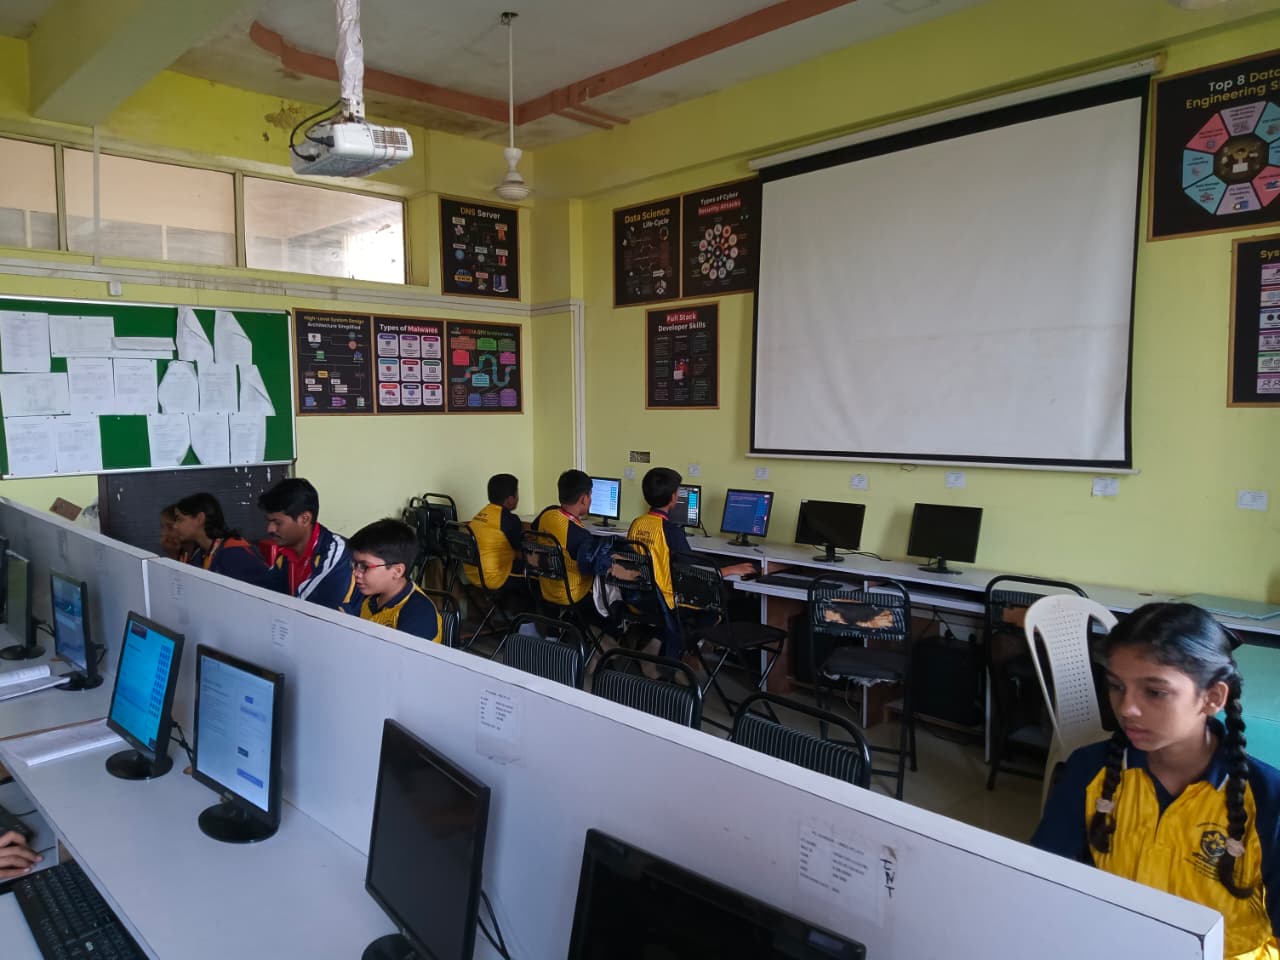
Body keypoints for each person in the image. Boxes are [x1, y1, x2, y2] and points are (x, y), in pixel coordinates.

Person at [1032, 602, 1280, 960]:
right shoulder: (1089, 770)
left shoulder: (1268, 800)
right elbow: (1042, 878)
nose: (1126, 708)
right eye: (1116, 686)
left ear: (1212, 697)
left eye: (1154, 692)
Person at [626, 468, 755, 664]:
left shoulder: (637, 523)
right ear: (673, 498)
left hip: (641, 597)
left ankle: (657, 642)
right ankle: (681, 656)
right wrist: (730, 570)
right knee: (715, 606)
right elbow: (692, 573)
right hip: (667, 601)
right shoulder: (671, 531)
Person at [532, 470, 614, 633]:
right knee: (610, 585)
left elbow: (534, 530)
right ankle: (607, 635)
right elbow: (591, 567)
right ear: (584, 498)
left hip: (546, 587)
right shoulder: (579, 535)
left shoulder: (547, 514)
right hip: (571, 592)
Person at [257, 478, 357, 609]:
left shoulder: (335, 552)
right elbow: (267, 595)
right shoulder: (285, 553)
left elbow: (305, 609)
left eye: (277, 523)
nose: (270, 529)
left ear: (305, 519)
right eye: (269, 522)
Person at [348, 518, 440, 644]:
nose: (356, 573)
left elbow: (401, 656)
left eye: (364, 566)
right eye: (354, 563)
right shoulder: (368, 595)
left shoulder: (419, 613)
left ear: (397, 571)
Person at [170, 493, 272, 588]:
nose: (175, 526)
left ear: (199, 519)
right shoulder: (200, 554)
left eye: (179, 519)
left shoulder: (235, 553)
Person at [463, 473, 524, 593]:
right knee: (536, 574)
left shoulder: (481, 514)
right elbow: (521, 553)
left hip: (473, 574)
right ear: (510, 499)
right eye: (517, 493)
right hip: (493, 579)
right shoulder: (510, 520)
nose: (518, 498)